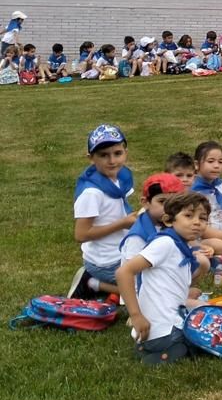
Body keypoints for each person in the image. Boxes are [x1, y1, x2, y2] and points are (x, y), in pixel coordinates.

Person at [115, 191, 211, 364]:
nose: (197, 222)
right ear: (168, 220)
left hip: (170, 323)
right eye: (188, 216)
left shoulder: (181, 246)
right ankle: (160, 355)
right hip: (163, 331)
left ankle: (156, 349)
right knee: (208, 339)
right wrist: (136, 316)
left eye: (203, 218)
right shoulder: (165, 243)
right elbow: (124, 272)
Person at [70, 124, 137, 300]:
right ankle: (93, 283)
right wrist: (122, 223)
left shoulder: (118, 178)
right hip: (105, 261)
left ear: (126, 153)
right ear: (91, 158)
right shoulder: (92, 193)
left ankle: (111, 288)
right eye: (103, 155)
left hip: (122, 251)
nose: (112, 161)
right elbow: (81, 234)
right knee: (152, 286)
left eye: (117, 153)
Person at [120, 172, 186, 264]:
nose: (170, 207)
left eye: (176, 202)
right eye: (162, 201)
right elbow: (129, 270)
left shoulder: (175, 222)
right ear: (146, 202)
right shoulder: (138, 236)